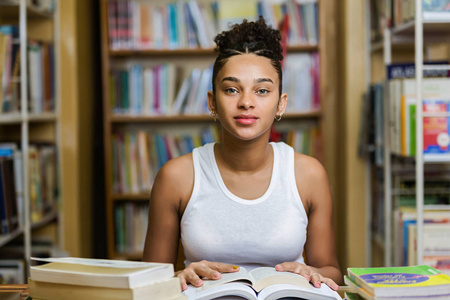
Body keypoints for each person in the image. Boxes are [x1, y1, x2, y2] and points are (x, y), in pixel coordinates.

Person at [142, 16, 343, 292]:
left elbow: (333, 272)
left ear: (280, 104)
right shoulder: (176, 177)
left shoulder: (308, 175)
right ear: (212, 102)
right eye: (232, 89)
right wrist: (179, 274)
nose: (246, 102)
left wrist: (311, 271)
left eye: (262, 90)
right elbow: (148, 284)